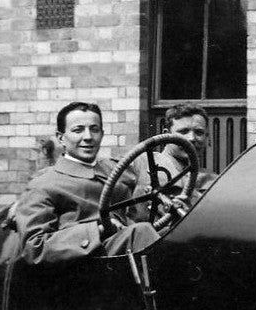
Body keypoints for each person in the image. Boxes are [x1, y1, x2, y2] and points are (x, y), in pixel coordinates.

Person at [12, 102, 158, 265]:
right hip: (82, 268)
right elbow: (34, 247)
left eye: (94, 129)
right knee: (142, 232)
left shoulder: (116, 171)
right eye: (78, 130)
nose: (88, 137)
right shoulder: (44, 184)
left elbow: (137, 216)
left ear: (102, 134)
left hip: (126, 256)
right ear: (61, 138)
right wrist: (98, 230)